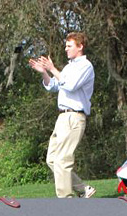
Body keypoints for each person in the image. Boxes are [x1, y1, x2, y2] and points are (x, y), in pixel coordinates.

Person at [29, 32, 96, 199]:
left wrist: (52, 68)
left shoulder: (85, 66)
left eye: (69, 46)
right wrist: (44, 72)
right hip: (62, 118)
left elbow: (71, 85)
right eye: (65, 45)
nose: (66, 49)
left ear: (80, 47)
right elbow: (53, 86)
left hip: (74, 117)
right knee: (52, 159)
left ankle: (66, 200)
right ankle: (82, 189)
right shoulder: (68, 67)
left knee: (62, 160)